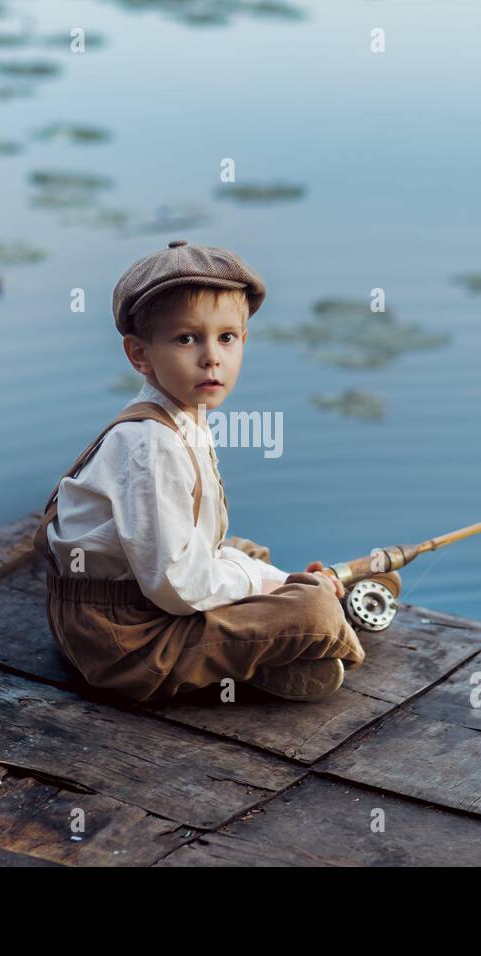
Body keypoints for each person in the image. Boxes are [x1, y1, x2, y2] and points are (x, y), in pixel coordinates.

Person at [31, 240, 396, 704]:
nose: (211, 357)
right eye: (186, 338)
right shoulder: (152, 444)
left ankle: (261, 651)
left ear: (243, 341)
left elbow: (195, 556)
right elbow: (176, 587)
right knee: (314, 609)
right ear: (139, 355)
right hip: (120, 640)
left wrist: (270, 575)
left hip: (134, 602)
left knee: (244, 549)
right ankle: (289, 639)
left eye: (227, 337)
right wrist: (276, 586)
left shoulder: (182, 415)